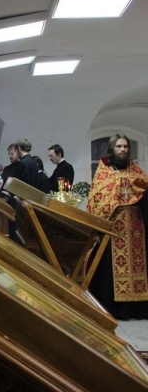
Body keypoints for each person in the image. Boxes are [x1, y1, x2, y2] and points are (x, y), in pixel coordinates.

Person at [87, 134, 148, 320]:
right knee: (111, 268)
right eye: (119, 146)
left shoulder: (136, 170)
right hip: (113, 227)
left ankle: (137, 310)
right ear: (111, 149)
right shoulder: (104, 172)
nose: (123, 150)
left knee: (138, 267)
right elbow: (97, 198)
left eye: (125, 147)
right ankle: (113, 308)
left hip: (136, 226)